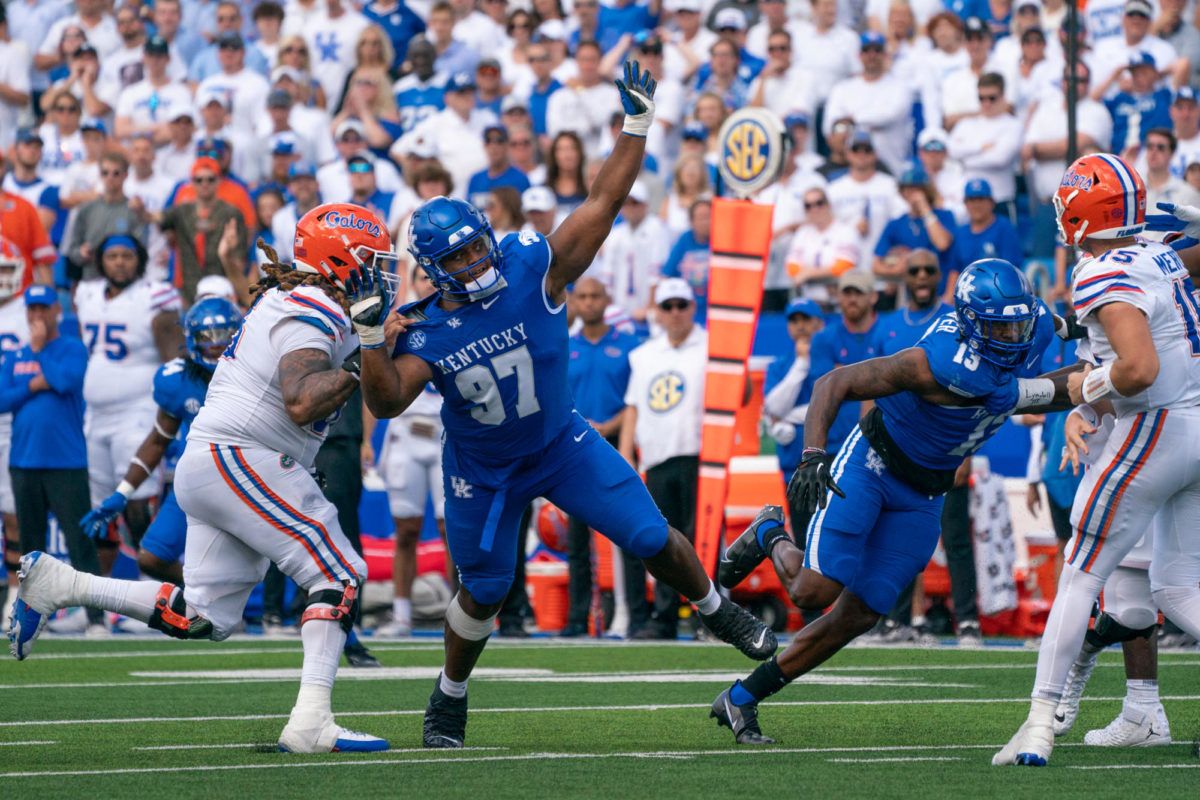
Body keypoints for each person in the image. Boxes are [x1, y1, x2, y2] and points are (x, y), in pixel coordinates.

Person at [354, 62, 776, 749]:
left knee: (646, 535)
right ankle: (450, 695)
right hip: (484, 469)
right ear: (431, 270)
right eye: (456, 259)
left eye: (474, 246)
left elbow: (603, 203)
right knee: (484, 589)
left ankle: (716, 608)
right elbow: (389, 398)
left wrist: (635, 126)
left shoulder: (531, 267)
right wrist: (372, 337)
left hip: (560, 443)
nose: (475, 261)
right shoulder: (423, 325)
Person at [8, 203, 392, 755]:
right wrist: (361, 360)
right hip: (242, 457)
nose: (378, 274)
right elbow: (302, 399)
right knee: (340, 569)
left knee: (202, 618)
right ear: (342, 259)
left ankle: (63, 585)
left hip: (220, 463)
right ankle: (311, 722)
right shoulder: (315, 307)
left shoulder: (302, 300)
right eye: (371, 262)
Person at [715, 258, 1062, 744]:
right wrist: (813, 455)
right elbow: (833, 383)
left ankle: (743, 697)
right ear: (970, 324)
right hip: (874, 463)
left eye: (1018, 324)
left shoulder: (1035, 327)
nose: (1013, 336)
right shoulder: (930, 361)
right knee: (813, 592)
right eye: (999, 328)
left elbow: (1064, 370)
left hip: (926, 490)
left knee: (864, 611)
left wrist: (1105, 377)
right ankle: (770, 531)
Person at [994, 155, 1200, 766]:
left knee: (1081, 574)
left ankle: (1038, 722)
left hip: (1156, 429)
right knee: (1178, 588)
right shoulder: (1160, 254)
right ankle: (1133, 710)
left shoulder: (1100, 271)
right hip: (1195, 427)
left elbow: (1138, 370)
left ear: (1086, 211)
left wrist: (1084, 391)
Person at [80, 298, 243, 586]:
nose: (216, 344)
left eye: (223, 336)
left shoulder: (255, 373)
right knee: (151, 559)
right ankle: (210, 593)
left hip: (250, 477)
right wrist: (122, 493)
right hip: (198, 480)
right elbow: (157, 441)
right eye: (207, 337)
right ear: (192, 340)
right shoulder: (176, 381)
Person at [1, 286, 105, 635]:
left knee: (79, 541)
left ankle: (95, 619)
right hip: (24, 460)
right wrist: (34, 385)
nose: (38, 316)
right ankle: (32, 620)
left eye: (44, 309)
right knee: (31, 548)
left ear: (56, 311)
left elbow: (66, 380)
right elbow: (3, 398)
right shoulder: (16, 354)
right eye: (33, 309)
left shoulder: (72, 348)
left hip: (66, 460)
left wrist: (41, 351)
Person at [74, 235, 183, 562]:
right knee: (99, 508)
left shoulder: (155, 296)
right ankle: (99, 605)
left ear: (139, 259)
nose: (119, 262)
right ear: (101, 261)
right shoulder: (86, 293)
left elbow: (175, 360)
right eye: (112, 256)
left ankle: (148, 593)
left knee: (137, 502)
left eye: (126, 256)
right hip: (95, 415)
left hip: (138, 413)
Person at [561, 277, 640, 636]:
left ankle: (636, 615)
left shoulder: (630, 346)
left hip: (615, 446)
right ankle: (578, 618)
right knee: (577, 541)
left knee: (628, 533)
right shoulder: (565, 346)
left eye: (596, 296)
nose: (590, 303)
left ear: (607, 299)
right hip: (574, 450)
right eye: (584, 297)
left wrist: (608, 426)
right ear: (574, 302)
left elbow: (638, 400)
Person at [761, 297, 824, 540]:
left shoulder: (827, 357)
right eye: (794, 320)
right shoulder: (781, 364)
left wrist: (787, 417)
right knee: (803, 538)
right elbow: (773, 406)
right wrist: (800, 363)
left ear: (819, 323)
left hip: (827, 461)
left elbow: (835, 404)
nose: (800, 325)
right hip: (793, 467)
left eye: (806, 319)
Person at [157, 157, 251, 305]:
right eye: (199, 180)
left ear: (219, 181)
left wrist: (228, 253)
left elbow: (240, 262)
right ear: (192, 182)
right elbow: (157, 218)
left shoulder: (231, 213)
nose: (205, 184)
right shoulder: (181, 211)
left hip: (222, 289)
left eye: (210, 179)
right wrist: (141, 210)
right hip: (187, 291)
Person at [597, 180, 670, 331]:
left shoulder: (656, 228)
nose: (630, 208)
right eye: (626, 204)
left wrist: (650, 306)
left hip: (648, 309)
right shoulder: (616, 234)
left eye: (635, 203)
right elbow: (607, 274)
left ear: (645, 205)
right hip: (620, 307)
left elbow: (656, 271)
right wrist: (611, 307)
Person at [950, 179, 1022, 295]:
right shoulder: (960, 232)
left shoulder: (1004, 228)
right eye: (972, 200)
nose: (976, 205)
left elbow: (1010, 270)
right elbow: (954, 270)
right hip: (965, 294)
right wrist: (949, 298)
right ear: (965, 203)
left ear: (992, 202)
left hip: (998, 293)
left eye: (981, 199)